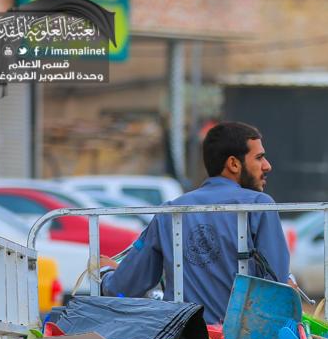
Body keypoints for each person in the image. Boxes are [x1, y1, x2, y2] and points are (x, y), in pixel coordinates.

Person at [100, 121, 290, 324]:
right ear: (233, 164)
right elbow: (276, 287)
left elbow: (123, 289)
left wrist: (106, 273)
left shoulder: (170, 212)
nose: (267, 165)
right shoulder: (259, 206)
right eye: (259, 157)